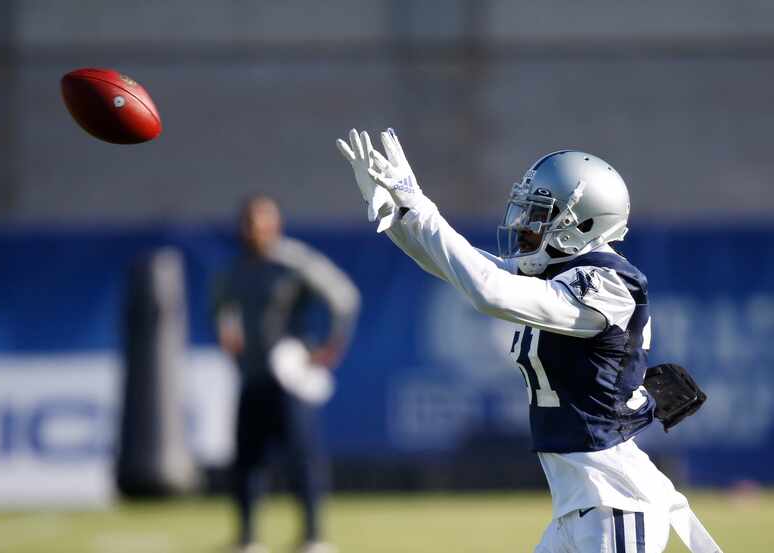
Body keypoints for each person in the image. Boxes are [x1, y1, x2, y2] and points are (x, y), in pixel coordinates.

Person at [337, 129, 723, 553]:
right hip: (579, 506)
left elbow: (489, 291)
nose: (523, 223)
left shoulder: (609, 282)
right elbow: (455, 265)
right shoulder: (557, 272)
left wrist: (421, 205)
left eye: (540, 213)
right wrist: (398, 212)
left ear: (583, 223)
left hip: (616, 503)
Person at [214, 195, 360, 553]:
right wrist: (226, 334)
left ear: (274, 224)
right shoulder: (235, 269)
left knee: (303, 459)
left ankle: (313, 537)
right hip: (252, 375)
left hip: (291, 376)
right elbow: (220, 309)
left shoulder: (292, 262)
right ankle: (248, 539)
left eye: (260, 222)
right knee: (247, 460)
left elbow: (343, 297)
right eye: (248, 222)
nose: (254, 230)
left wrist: (331, 348)